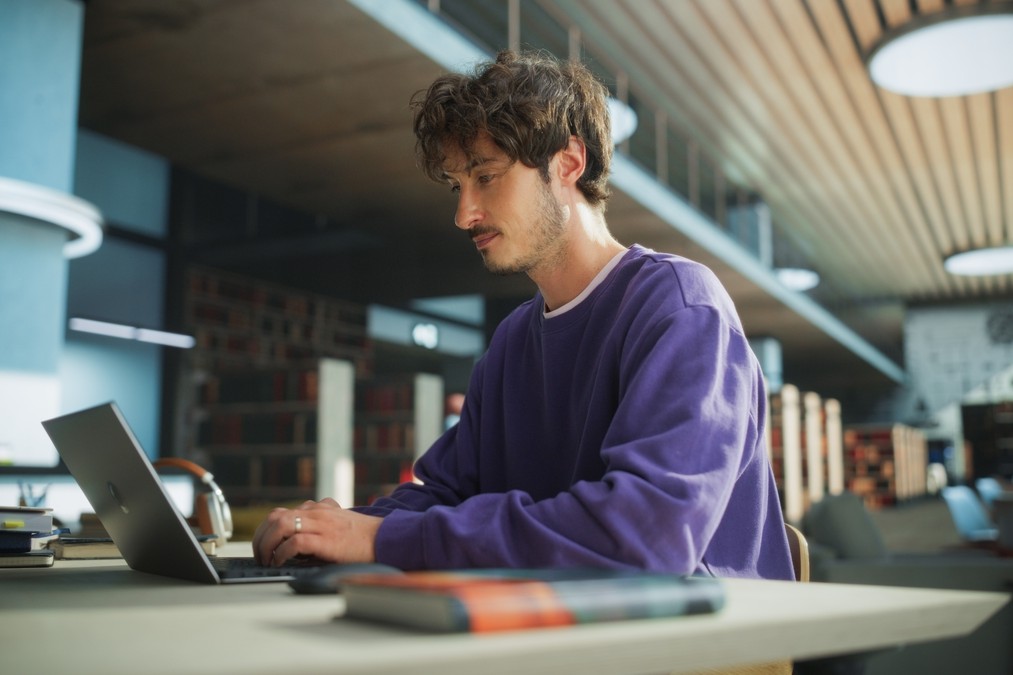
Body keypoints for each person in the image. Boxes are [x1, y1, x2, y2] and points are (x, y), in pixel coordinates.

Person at [253, 50, 794, 580]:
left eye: (485, 176)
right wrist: (334, 529)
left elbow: (648, 535)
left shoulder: (679, 306)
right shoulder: (512, 342)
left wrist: (381, 540)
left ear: (569, 163)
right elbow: (448, 494)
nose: (464, 214)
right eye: (456, 186)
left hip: (705, 652)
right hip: (572, 629)